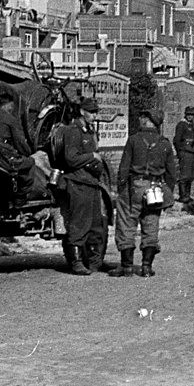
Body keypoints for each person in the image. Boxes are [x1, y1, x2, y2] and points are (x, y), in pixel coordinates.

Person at [112, 110, 177, 277]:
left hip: (135, 185)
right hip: (156, 188)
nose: (141, 119)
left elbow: (124, 168)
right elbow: (171, 173)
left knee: (126, 224)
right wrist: (166, 191)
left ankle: (127, 267)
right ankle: (146, 267)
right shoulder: (165, 143)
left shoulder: (134, 139)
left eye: (144, 117)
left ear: (149, 121)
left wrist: (122, 189)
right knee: (151, 224)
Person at [58, 98, 109, 275]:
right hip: (78, 182)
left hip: (91, 182)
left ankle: (95, 262)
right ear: (82, 112)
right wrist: (93, 157)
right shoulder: (73, 131)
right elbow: (71, 158)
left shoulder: (88, 130)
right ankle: (76, 262)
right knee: (79, 223)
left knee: (96, 224)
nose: (94, 115)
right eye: (91, 112)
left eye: (95, 112)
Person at [173, 105, 194, 203]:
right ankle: (183, 196)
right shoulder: (181, 125)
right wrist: (180, 153)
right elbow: (177, 140)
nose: (190, 117)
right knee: (184, 175)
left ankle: (187, 195)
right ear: (185, 114)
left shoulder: (193, 126)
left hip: (193, 153)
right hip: (185, 153)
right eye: (188, 114)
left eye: (192, 115)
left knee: (191, 175)